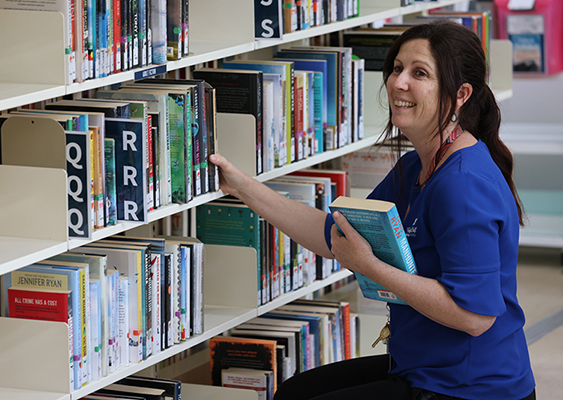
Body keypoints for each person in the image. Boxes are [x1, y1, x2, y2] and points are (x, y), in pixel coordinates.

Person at [209, 20, 536, 400]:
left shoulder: (463, 185)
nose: (398, 83)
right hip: (422, 365)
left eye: (420, 73)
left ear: (461, 94)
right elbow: (334, 233)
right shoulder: (416, 166)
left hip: (471, 386)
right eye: (397, 68)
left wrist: (371, 266)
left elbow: (475, 317)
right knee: (294, 393)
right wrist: (243, 187)